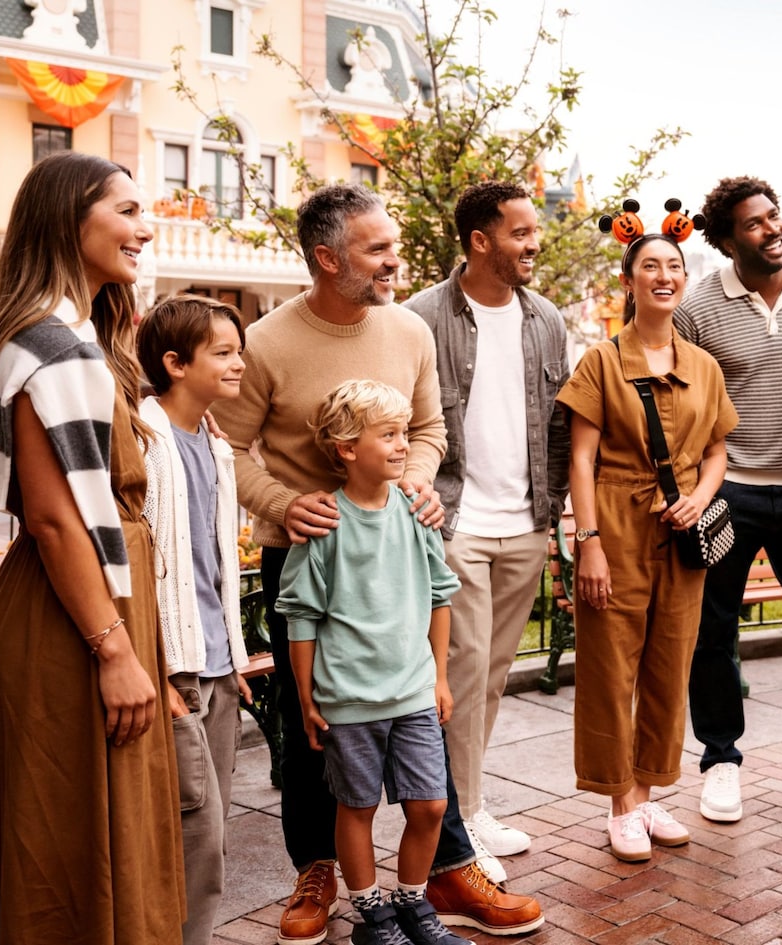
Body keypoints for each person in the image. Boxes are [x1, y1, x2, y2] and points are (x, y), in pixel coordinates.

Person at [214, 184, 542, 944]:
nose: (396, 260)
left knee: (422, 706)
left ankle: (449, 866)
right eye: (378, 249)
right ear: (328, 258)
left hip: (398, 553)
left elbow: (428, 430)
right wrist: (282, 502)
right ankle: (317, 867)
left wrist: (417, 480)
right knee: (312, 727)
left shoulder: (409, 330)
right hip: (309, 556)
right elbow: (226, 445)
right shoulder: (267, 342)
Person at [0, 151, 186, 941]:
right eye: (126, 211)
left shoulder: (66, 338)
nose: (144, 228)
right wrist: (114, 649)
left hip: (88, 605)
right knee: (71, 843)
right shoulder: (54, 346)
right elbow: (55, 521)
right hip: (76, 620)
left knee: (94, 836)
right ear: (68, 220)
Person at [557, 220, 737, 863]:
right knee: (610, 669)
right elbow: (581, 460)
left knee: (668, 666)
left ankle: (645, 793)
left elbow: (716, 451)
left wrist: (702, 497)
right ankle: (619, 805)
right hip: (616, 524)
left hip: (682, 533)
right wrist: (589, 542)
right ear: (629, 281)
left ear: (685, 279)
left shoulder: (704, 366)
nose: (664, 277)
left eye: (674, 267)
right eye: (651, 267)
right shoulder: (602, 361)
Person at [404, 180, 570, 865]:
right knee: (464, 672)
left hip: (526, 521)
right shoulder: (420, 318)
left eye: (534, 232)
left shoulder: (546, 319)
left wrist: (554, 513)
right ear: (480, 241)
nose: (535, 244)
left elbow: (558, 425)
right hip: (457, 522)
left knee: (493, 674)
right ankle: (455, 827)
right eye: (520, 233)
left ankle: (467, 806)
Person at [674, 176, 782, 823]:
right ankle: (720, 759)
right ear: (726, 241)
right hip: (728, 490)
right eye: (754, 223)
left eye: (773, 216)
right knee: (712, 630)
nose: (771, 229)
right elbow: (682, 404)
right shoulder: (697, 309)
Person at [276, 381, 467, 945]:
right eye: (388, 435)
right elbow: (301, 617)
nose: (403, 444)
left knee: (430, 804)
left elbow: (440, 596)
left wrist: (439, 678)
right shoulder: (325, 524)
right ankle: (372, 918)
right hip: (349, 700)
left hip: (413, 691)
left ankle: (412, 905)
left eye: (405, 432)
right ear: (347, 448)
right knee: (356, 808)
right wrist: (308, 699)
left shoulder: (416, 513)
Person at [136, 295, 254, 945]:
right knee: (195, 835)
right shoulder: (145, 440)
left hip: (217, 669)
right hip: (176, 671)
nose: (240, 364)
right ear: (175, 363)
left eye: (240, 351)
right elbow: (136, 568)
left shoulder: (214, 444)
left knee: (211, 831)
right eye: (224, 353)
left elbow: (212, 564)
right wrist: (154, 667)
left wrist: (233, 658)